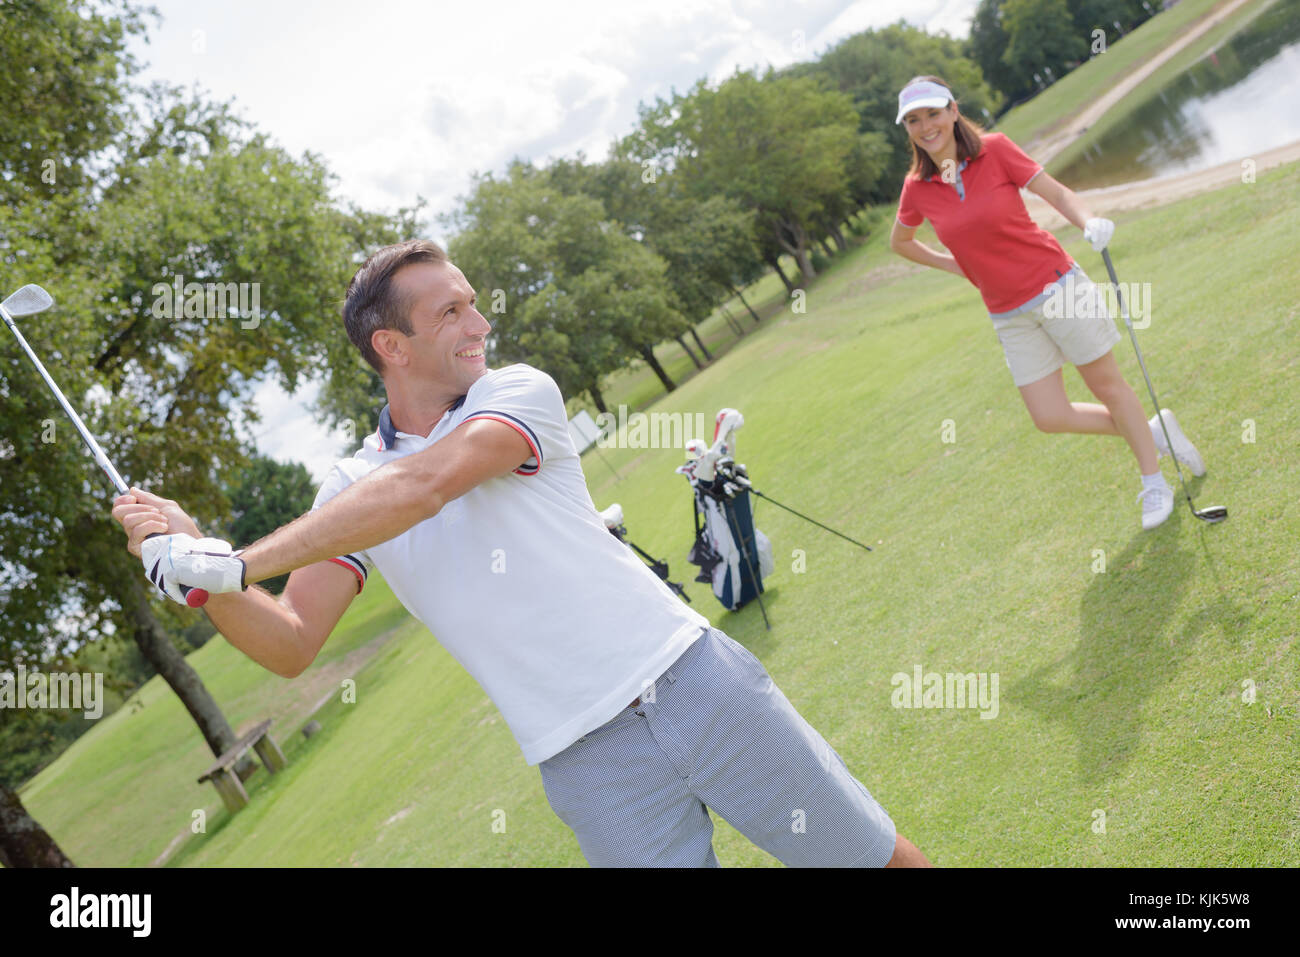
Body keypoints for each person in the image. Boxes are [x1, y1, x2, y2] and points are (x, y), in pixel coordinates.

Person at [113, 239, 930, 868]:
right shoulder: (350, 487)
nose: (481, 325)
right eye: (452, 314)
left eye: (472, 304)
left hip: (692, 682)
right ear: (390, 347)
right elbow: (291, 641)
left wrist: (234, 561)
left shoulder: (516, 394)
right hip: (580, 758)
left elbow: (427, 483)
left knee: (870, 858)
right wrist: (196, 567)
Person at [888, 76, 1207, 530]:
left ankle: (1153, 481)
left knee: (1108, 388)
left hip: (1057, 287)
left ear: (953, 111)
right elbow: (901, 242)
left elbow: (1056, 193)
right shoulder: (917, 186)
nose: (926, 127)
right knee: (1049, 416)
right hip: (1006, 312)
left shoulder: (994, 150)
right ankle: (1154, 433)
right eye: (914, 120)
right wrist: (957, 267)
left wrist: (1088, 221)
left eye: (933, 114)